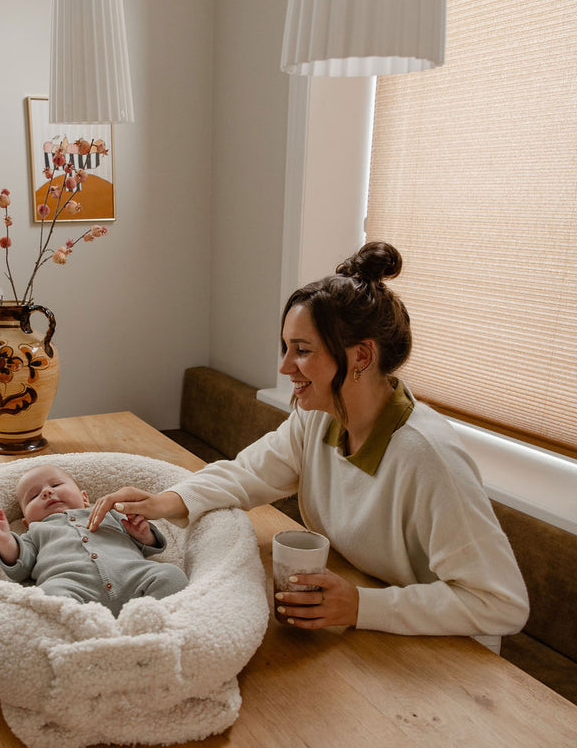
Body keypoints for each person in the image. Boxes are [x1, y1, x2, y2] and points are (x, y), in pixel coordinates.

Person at [88, 242, 528, 651]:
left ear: (361, 356)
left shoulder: (428, 458)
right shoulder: (318, 416)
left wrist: (360, 606)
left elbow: (502, 603)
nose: (283, 366)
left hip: (443, 653)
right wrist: (166, 500)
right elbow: (250, 472)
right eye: (285, 347)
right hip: (366, 630)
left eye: (300, 350)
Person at [0, 463, 188, 615]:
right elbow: (21, 565)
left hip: (132, 576)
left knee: (170, 575)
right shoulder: (35, 532)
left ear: (84, 498)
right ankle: (86, 632)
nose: (47, 492)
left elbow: (149, 544)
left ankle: (149, 619)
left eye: (55, 484)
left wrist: (143, 534)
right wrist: (5, 540)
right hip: (73, 586)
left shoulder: (108, 513)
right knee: (48, 596)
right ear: (27, 522)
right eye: (33, 496)